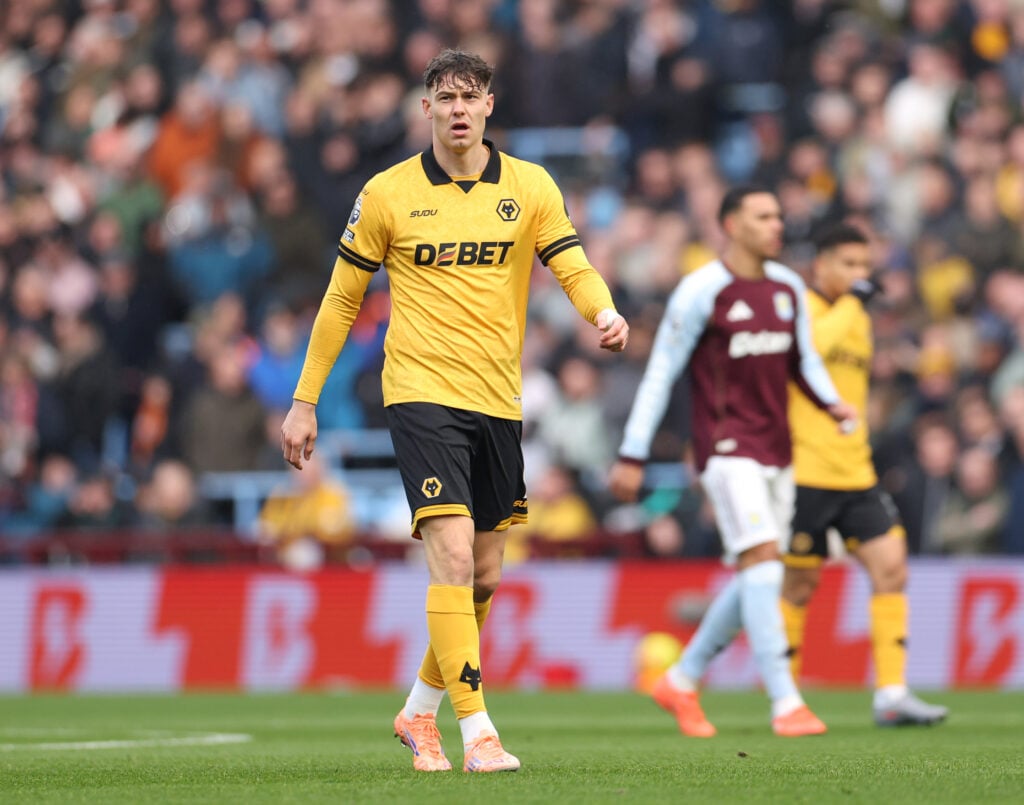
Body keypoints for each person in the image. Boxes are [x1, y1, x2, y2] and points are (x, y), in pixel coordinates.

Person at [280, 49, 628, 773]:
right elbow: (342, 299)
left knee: (485, 575)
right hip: (419, 391)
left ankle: (418, 711)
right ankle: (479, 733)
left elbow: (569, 261)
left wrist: (602, 310)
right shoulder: (387, 193)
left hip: (498, 397)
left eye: (471, 96)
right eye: (446, 97)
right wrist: (304, 400)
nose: (459, 109)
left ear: (490, 105)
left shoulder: (530, 185)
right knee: (455, 554)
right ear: (427, 108)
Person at [608, 185, 855, 737]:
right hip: (724, 449)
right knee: (763, 560)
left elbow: (805, 361)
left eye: (778, 216)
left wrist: (831, 402)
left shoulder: (789, 287)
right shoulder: (702, 290)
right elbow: (661, 372)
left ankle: (681, 678)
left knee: (761, 574)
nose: (777, 225)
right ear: (731, 225)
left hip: (777, 451)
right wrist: (632, 452)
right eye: (763, 216)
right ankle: (785, 701)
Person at [781, 223, 949, 726]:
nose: (859, 275)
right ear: (821, 265)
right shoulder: (800, 307)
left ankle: (892, 695)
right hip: (806, 469)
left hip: (855, 470)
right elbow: (806, 353)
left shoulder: (857, 319)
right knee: (799, 585)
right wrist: (855, 301)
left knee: (892, 566)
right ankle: (786, 697)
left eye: (865, 266)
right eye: (849, 264)